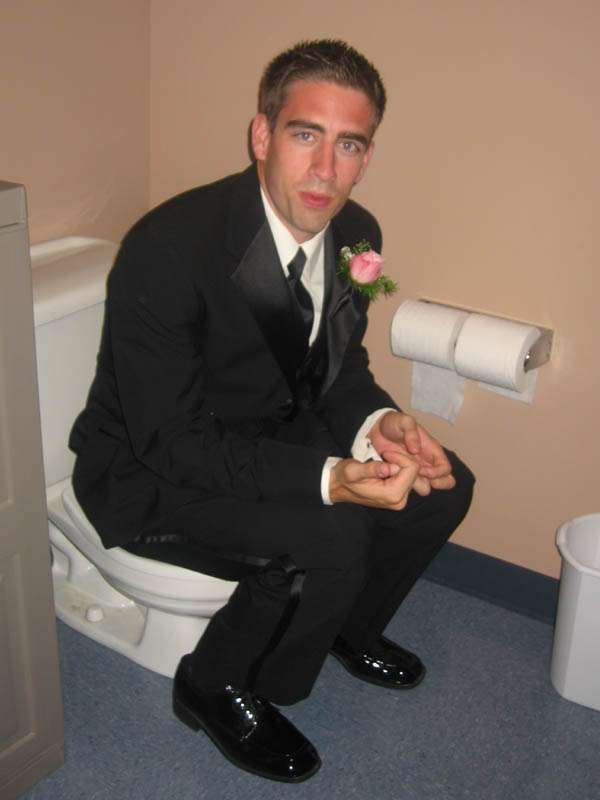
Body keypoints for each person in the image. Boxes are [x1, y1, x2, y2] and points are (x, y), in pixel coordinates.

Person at [69, 39, 475, 783]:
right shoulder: (169, 248)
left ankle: (348, 625)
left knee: (440, 489)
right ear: (262, 135)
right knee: (331, 532)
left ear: (367, 157)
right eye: (304, 135)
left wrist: (378, 425)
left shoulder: (358, 234)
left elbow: (337, 369)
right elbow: (171, 440)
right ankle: (215, 682)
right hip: (152, 466)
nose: (325, 169)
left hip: (268, 430)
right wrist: (329, 479)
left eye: (348, 144)